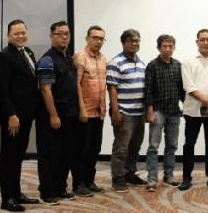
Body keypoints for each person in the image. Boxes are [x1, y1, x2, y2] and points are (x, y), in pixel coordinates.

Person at [0, 19, 41, 212]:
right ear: (8, 36)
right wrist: (11, 115)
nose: (21, 36)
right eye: (16, 34)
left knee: (18, 156)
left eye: (23, 33)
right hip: (12, 117)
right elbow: (2, 89)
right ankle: (8, 198)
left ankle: (17, 192)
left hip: (26, 115)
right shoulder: (4, 56)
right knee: (9, 157)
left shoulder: (28, 52)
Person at [36, 21, 81, 203]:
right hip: (53, 115)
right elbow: (46, 89)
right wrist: (53, 115)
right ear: (51, 36)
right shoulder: (47, 59)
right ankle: (47, 191)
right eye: (60, 34)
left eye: (67, 34)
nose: (64, 37)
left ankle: (60, 187)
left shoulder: (68, 57)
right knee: (50, 155)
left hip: (70, 114)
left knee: (66, 153)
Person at [180, 29, 208, 191]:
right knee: (189, 144)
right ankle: (186, 178)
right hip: (193, 110)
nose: (206, 42)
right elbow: (188, 85)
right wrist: (206, 101)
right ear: (197, 42)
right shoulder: (188, 61)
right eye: (203, 39)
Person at [106, 29, 148, 193]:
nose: (135, 44)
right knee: (121, 148)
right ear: (124, 43)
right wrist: (116, 112)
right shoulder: (115, 62)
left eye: (138, 41)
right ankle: (118, 178)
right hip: (124, 112)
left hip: (139, 113)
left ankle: (130, 173)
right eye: (132, 41)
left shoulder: (142, 63)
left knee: (135, 146)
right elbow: (112, 89)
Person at [145, 34, 185, 191]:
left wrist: (185, 108)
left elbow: (182, 91)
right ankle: (152, 178)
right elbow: (148, 91)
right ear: (159, 47)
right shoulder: (152, 65)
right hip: (158, 111)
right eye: (164, 46)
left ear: (174, 47)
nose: (168, 49)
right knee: (153, 146)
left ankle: (169, 175)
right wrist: (150, 112)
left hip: (174, 112)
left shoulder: (178, 65)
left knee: (172, 145)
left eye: (170, 46)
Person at [73, 25, 108, 194]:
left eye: (101, 38)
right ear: (87, 39)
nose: (98, 41)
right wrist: (81, 108)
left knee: (95, 149)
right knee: (82, 149)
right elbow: (76, 85)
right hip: (85, 111)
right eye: (95, 37)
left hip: (98, 112)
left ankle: (90, 181)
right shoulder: (80, 57)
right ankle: (78, 184)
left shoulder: (102, 58)